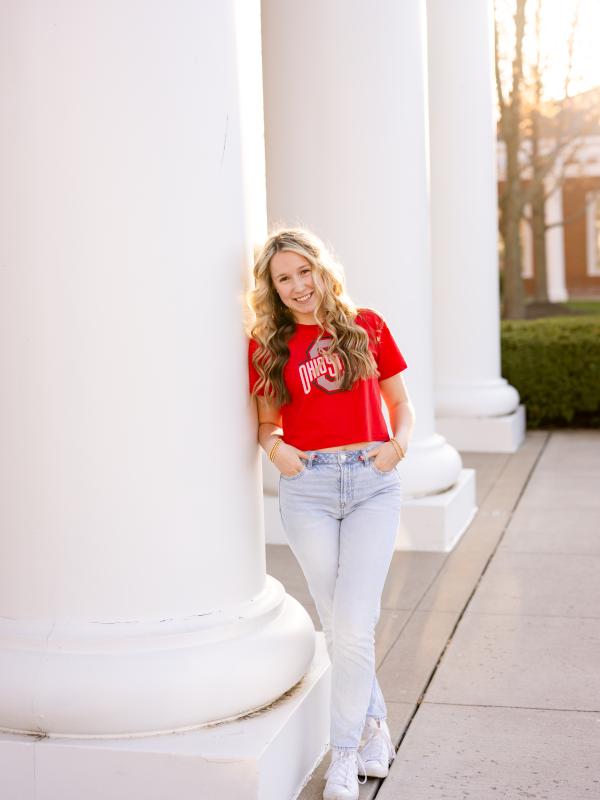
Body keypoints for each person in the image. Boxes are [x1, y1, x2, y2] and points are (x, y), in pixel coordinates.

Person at [246, 227, 415, 800]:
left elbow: (401, 404)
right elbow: (268, 422)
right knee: (339, 622)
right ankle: (374, 722)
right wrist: (278, 451)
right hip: (309, 488)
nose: (297, 286)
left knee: (351, 622)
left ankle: (343, 753)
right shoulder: (269, 344)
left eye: (304, 271)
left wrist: (399, 445)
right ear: (271, 288)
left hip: (372, 483)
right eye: (283, 278)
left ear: (323, 269)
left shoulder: (366, 324)